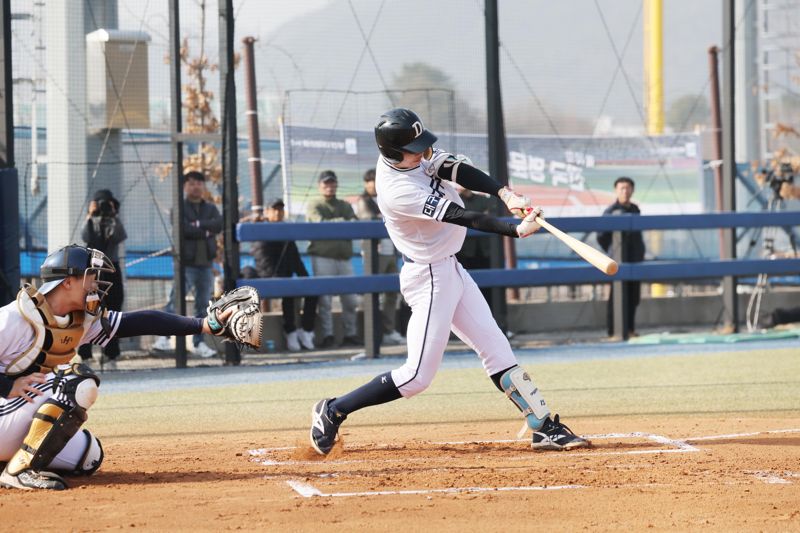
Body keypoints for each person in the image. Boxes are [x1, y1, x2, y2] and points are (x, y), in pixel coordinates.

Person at [309, 108, 589, 455]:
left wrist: (504, 194)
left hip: (450, 268)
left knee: (496, 348)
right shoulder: (397, 189)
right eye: (416, 148)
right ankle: (333, 409)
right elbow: (461, 215)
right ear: (394, 153)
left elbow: (452, 168)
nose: (425, 152)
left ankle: (543, 426)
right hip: (428, 277)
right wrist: (514, 229)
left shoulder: (413, 157)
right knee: (416, 377)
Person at [0, 244, 245, 490]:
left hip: (15, 417)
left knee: (89, 456)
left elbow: (143, 321)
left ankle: (7, 461)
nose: (95, 285)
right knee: (77, 382)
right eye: (90, 277)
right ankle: (19, 470)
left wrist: (205, 324)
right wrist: (7, 385)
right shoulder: (14, 317)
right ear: (67, 282)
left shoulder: (79, 320)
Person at [153, 171, 223, 358]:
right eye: (192, 183)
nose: (196, 187)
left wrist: (198, 225)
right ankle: (163, 338)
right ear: (185, 186)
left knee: (203, 305)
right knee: (175, 300)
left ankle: (199, 343)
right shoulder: (179, 208)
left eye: (199, 183)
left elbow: (218, 225)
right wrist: (205, 230)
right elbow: (183, 229)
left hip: (206, 264)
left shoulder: (211, 207)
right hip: (186, 263)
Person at [251, 198, 317, 351]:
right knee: (287, 288)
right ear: (267, 212)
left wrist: (307, 280)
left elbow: (296, 261)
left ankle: (305, 330)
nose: (278, 212)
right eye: (274, 209)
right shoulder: (260, 229)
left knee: (313, 289)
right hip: (267, 277)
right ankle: (290, 330)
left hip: (284, 277)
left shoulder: (287, 233)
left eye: (280, 209)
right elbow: (263, 261)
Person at [306, 170, 360, 348]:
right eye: (325, 183)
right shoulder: (315, 203)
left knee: (351, 300)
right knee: (325, 301)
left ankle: (350, 334)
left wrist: (338, 222)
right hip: (323, 257)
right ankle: (328, 336)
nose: (329, 186)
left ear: (336, 184)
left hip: (344, 258)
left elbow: (354, 224)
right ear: (320, 186)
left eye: (332, 183)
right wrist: (341, 222)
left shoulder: (344, 205)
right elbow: (320, 223)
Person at [78, 190, 127, 370]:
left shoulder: (113, 221)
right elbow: (85, 237)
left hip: (112, 267)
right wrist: (90, 215)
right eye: (101, 203)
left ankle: (111, 355)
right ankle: (85, 355)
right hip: (91, 268)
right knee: (88, 309)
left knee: (113, 311)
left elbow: (120, 236)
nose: (104, 207)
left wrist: (113, 214)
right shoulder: (91, 221)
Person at [356, 168, 404, 346]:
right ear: (365, 183)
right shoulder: (363, 200)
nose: (373, 184)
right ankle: (373, 333)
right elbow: (369, 218)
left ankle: (389, 330)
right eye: (369, 181)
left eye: (375, 180)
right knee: (373, 294)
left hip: (392, 250)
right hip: (375, 253)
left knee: (393, 293)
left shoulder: (387, 197)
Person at [597, 177, 646, 337]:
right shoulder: (610, 211)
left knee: (634, 296)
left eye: (628, 188)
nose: (625, 191)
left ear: (632, 190)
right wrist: (612, 252)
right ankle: (613, 331)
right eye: (621, 188)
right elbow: (601, 236)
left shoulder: (635, 209)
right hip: (617, 262)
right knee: (617, 297)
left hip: (635, 259)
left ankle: (630, 329)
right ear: (616, 191)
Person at [455, 187, 494, 307]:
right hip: (464, 252)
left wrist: (469, 219)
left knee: (488, 288)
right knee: (466, 287)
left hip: (485, 251)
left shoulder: (483, 199)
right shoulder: (455, 201)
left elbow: (491, 218)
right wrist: (481, 216)